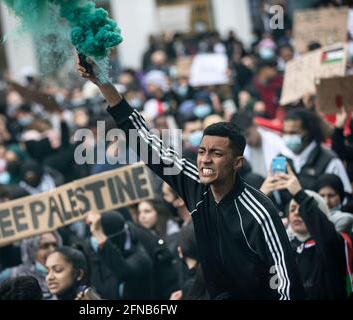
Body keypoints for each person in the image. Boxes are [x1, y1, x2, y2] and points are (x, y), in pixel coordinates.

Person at [77, 59, 305, 300]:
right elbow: (147, 145)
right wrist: (103, 82)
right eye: (202, 152)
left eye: (217, 154)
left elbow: (286, 283)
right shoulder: (195, 184)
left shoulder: (259, 212)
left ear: (237, 163)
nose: (205, 160)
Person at [274, 164, 351, 299]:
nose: (297, 213)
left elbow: (326, 236)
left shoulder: (333, 244)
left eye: (301, 209)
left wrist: (299, 194)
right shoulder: (283, 247)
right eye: (292, 210)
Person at [85, 210, 154, 299]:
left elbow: (124, 271)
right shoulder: (95, 257)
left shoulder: (141, 258)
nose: (95, 240)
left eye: (98, 237)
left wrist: (99, 235)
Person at [0, 231, 62, 299]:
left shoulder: (65, 275)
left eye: (55, 245)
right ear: (31, 250)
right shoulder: (13, 274)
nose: (52, 250)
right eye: (45, 246)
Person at [231, 111, 285, 179]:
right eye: (242, 138)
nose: (247, 141)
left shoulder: (276, 142)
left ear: (255, 124)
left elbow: (280, 174)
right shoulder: (241, 151)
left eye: (248, 134)